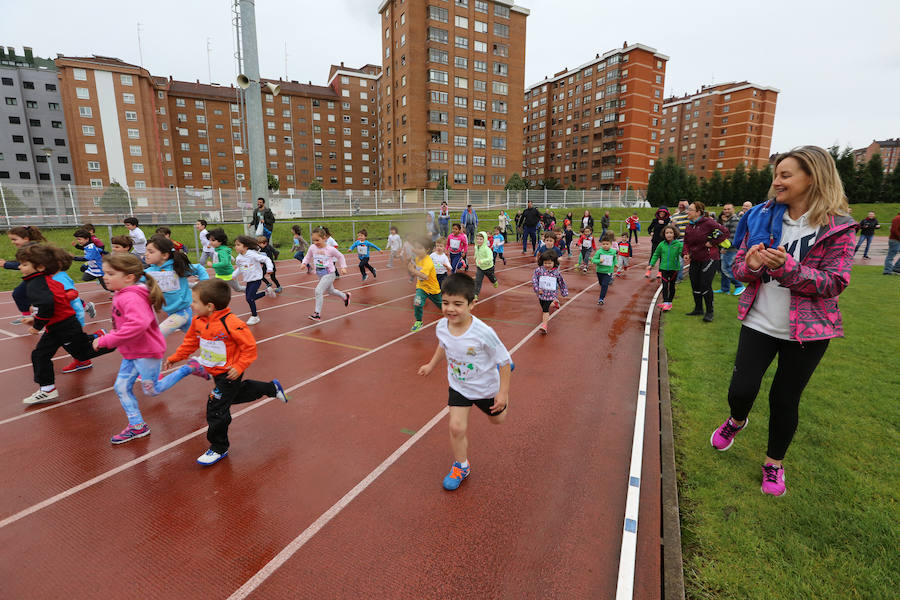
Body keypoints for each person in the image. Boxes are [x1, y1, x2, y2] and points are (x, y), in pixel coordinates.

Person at [710, 145, 857, 497]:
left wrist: (788, 269)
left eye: (785, 175)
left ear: (813, 177)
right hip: (759, 320)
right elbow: (740, 267)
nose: (776, 182)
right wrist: (753, 266)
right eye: (776, 175)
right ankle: (736, 421)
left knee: (785, 399)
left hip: (808, 331)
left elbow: (834, 282)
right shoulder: (762, 215)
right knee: (741, 390)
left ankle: (774, 464)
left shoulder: (839, 227)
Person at [164, 279, 288, 466]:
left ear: (210, 306)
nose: (191, 304)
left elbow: (249, 348)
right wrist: (175, 357)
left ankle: (218, 447)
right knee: (234, 396)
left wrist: (238, 367)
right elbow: (190, 342)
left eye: (195, 301)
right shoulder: (198, 320)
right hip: (215, 372)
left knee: (215, 408)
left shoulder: (233, 324)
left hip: (230, 373)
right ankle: (271, 388)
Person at [95, 253, 208, 444]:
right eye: (105, 273)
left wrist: (108, 339)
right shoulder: (124, 293)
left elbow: (138, 324)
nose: (105, 277)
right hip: (132, 351)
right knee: (121, 387)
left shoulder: (131, 297)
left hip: (146, 352)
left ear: (129, 277)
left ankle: (190, 368)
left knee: (152, 390)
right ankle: (137, 426)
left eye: (110, 273)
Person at [416, 273, 512, 491]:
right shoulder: (442, 326)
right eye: (446, 303)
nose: (451, 309)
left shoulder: (484, 333)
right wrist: (431, 365)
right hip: (459, 386)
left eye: (458, 304)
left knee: (498, 421)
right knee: (456, 427)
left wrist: (503, 393)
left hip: (486, 388)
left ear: (472, 304)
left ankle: (501, 396)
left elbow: (505, 362)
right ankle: (461, 466)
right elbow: (444, 345)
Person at [17, 244, 110, 405]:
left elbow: (47, 304)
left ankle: (117, 341)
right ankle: (47, 389)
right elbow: (56, 302)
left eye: (24, 264)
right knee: (40, 354)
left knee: (82, 354)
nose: (19, 267)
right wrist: (36, 318)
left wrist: (37, 325)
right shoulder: (44, 281)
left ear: (40, 267)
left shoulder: (37, 284)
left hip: (64, 326)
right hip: (60, 324)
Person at [144, 234, 211, 337]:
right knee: (199, 336)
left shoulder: (177, 267)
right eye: (146, 251)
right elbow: (132, 279)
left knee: (157, 335)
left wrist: (204, 285)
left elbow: (199, 268)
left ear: (165, 255)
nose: (146, 254)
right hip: (170, 312)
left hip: (183, 311)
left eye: (151, 252)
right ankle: (218, 344)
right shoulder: (149, 272)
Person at [682, 201, 729, 322]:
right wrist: (685, 253)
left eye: (690, 209)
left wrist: (713, 242)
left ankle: (709, 312)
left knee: (705, 285)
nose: (688, 211)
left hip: (710, 258)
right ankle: (698, 309)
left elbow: (725, 232)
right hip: (695, 259)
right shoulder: (689, 226)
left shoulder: (708, 222)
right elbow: (686, 242)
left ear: (698, 212)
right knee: (695, 284)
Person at [301, 227, 349, 321]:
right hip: (319, 273)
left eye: (317, 240)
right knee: (331, 291)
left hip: (329, 273)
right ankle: (345, 296)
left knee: (318, 291)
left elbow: (340, 256)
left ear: (324, 238)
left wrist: (343, 267)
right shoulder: (312, 247)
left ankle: (317, 314)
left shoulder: (330, 249)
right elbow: (307, 256)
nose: (315, 242)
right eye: (313, 240)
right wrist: (304, 263)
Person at [5, 225, 49, 324]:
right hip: (34, 277)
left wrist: (6, 264)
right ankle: (27, 315)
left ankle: (83, 305)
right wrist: (7, 263)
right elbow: (22, 262)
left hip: (42, 276)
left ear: (25, 238)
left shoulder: (33, 249)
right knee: (19, 293)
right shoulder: (27, 248)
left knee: (60, 295)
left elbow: (28, 264)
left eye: (14, 239)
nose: (12, 242)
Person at [234, 235, 275, 325]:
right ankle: (266, 292)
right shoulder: (238, 258)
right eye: (235, 245)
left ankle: (255, 316)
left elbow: (266, 259)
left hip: (256, 279)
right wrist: (233, 275)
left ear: (245, 246)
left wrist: (269, 268)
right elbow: (240, 268)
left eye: (238, 245)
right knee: (249, 298)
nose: (235, 246)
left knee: (249, 298)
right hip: (248, 280)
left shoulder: (252, 254)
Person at [409, 236, 443, 332]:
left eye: (420, 248)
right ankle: (419, 321)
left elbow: (425, 276)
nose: (417, 250)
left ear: (427, 250)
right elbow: (413, 268)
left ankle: (455, 318)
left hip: (433, 289)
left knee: (443, 307)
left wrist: (413, 270)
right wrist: (411, 265)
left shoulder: (428, 262)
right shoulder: (417, 258)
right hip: (421, 287)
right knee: (417, 302)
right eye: (416, 248)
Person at [532, 249, 568, 334]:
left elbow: (561, 282)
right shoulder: (539, 270)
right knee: (543, 305)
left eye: (549, 263)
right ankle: (554, 303)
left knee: (545, 310)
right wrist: (537, 289)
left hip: (551, 294)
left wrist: (564, 292)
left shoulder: (556, 273)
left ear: (554, 263)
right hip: (541, 293)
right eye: (545, 263)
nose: (547, 265)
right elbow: (534, 280)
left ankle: (544, 325)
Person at [650, 225, 684, 311]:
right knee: (664, 286)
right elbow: (656, 254)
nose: (669, 234)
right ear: (664, 234)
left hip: (674, 269)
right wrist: (651, 264)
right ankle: (665, 302)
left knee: (671, 286)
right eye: (667, 233)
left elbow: (682, 253)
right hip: (664, 268)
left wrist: (686, 256)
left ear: (674, 234)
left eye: (671, 233)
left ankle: (669, 303)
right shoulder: (662, 244)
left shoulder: (679, 244)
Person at [716, 203, 745, 295]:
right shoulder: (728, 220)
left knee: (725, 268)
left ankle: (739, 285)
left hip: (731, 249)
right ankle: (725, 289)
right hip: (727, 248)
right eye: (725, 209)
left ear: (733, 209)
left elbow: (734, 237)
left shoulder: (735, 221)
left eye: (728, 209)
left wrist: (725, 247)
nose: (726, 211)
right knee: (724, 268)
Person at [591, 232, 617, 305]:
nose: (605, 246)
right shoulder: (599, 251)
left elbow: (614, 258)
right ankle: (601, 287)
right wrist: (599, 260)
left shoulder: (613, 251)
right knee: (601, 283)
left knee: (605, 284)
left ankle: (601, 299)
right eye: (603, 244)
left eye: (607, 244)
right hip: (599, 271)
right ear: (601, 244)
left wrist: (616, 263)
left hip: (608, 271)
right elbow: (593, 260)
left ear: (611, 244)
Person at [646, 207, 671, 278]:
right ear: (658, 212)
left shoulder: (668, 220)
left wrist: (664, 224)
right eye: (661, 212)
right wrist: (650, 232)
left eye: (663, 212)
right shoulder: (655, 220)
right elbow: (649, 228)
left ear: (666, 213)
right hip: (655, 241)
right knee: (653, 255)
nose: (662, 213)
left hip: (663, 241)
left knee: (662, 257)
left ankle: (660, 272)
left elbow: (669, 229)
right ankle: (649, 270)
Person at [472, 231, 498, 300]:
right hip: (480, 267)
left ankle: (494, 281)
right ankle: (475, 295)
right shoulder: (476, 247)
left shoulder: (487, 249)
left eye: (481, 239)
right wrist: (475, 256)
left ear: (485, 240)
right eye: (477, 239)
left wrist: (482, 261)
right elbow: (477, 253)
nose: (478, 241)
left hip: (488, 267)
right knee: (478, 281)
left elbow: (490, 258)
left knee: (491, 277)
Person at [885, 210, 900, 275]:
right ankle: (887, 271)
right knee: (891, 256)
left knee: (890, 255)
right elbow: (894, 230)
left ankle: (896, 268)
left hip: (897, 240)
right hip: (895, 240)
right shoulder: (897, 218)